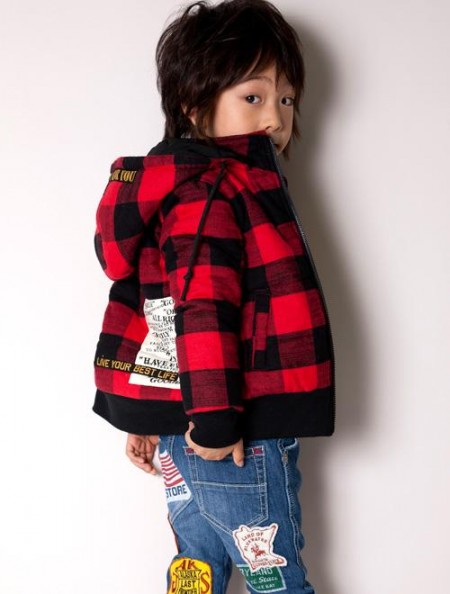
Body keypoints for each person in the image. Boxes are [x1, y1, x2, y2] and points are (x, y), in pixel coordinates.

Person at [92, 1, 335, 592]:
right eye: (253, 96)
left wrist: (151, 416)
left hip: (189, 426)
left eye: (286, 99)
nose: (275, 116)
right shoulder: (216, 190)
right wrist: (219, 421)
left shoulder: (182, 188)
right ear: (194, 104)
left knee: (196, 570)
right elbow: (202, 312)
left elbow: (163, 312)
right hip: (232, 433)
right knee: (277, 579)